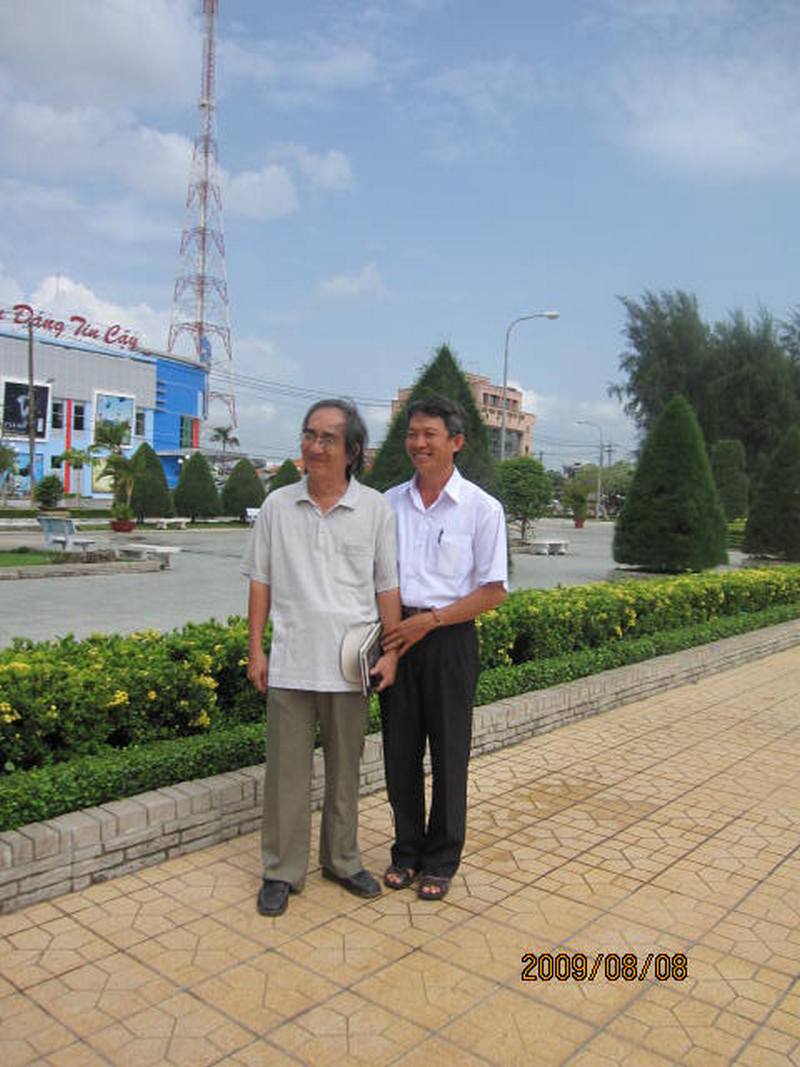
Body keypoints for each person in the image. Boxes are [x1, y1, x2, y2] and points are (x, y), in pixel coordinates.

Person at [243, 399, 401, 917]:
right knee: (285, 774)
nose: (314, 446)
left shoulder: (375, 509)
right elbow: (260, 581)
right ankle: (281, 871)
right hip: (291, 661)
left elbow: (387, 587)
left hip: (350, 664)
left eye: (327, 438)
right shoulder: (277, 506)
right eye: (309, 435)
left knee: (345, 772)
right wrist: (256, 649)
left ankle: (341, 859)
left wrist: (391, 654)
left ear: (352, 451)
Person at [379, 394, 508, 900]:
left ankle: (442, 859)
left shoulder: (481, 508)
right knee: (400, 752)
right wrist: (395, 640)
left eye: (429, 434)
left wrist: (430, 622)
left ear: (456, 442)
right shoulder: (388, 504)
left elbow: (492, 591)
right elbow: (380, 579)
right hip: (397, 635)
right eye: (412, 434)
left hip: (450, 638)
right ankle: (406, 851)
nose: (418, 443)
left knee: (450, 754)